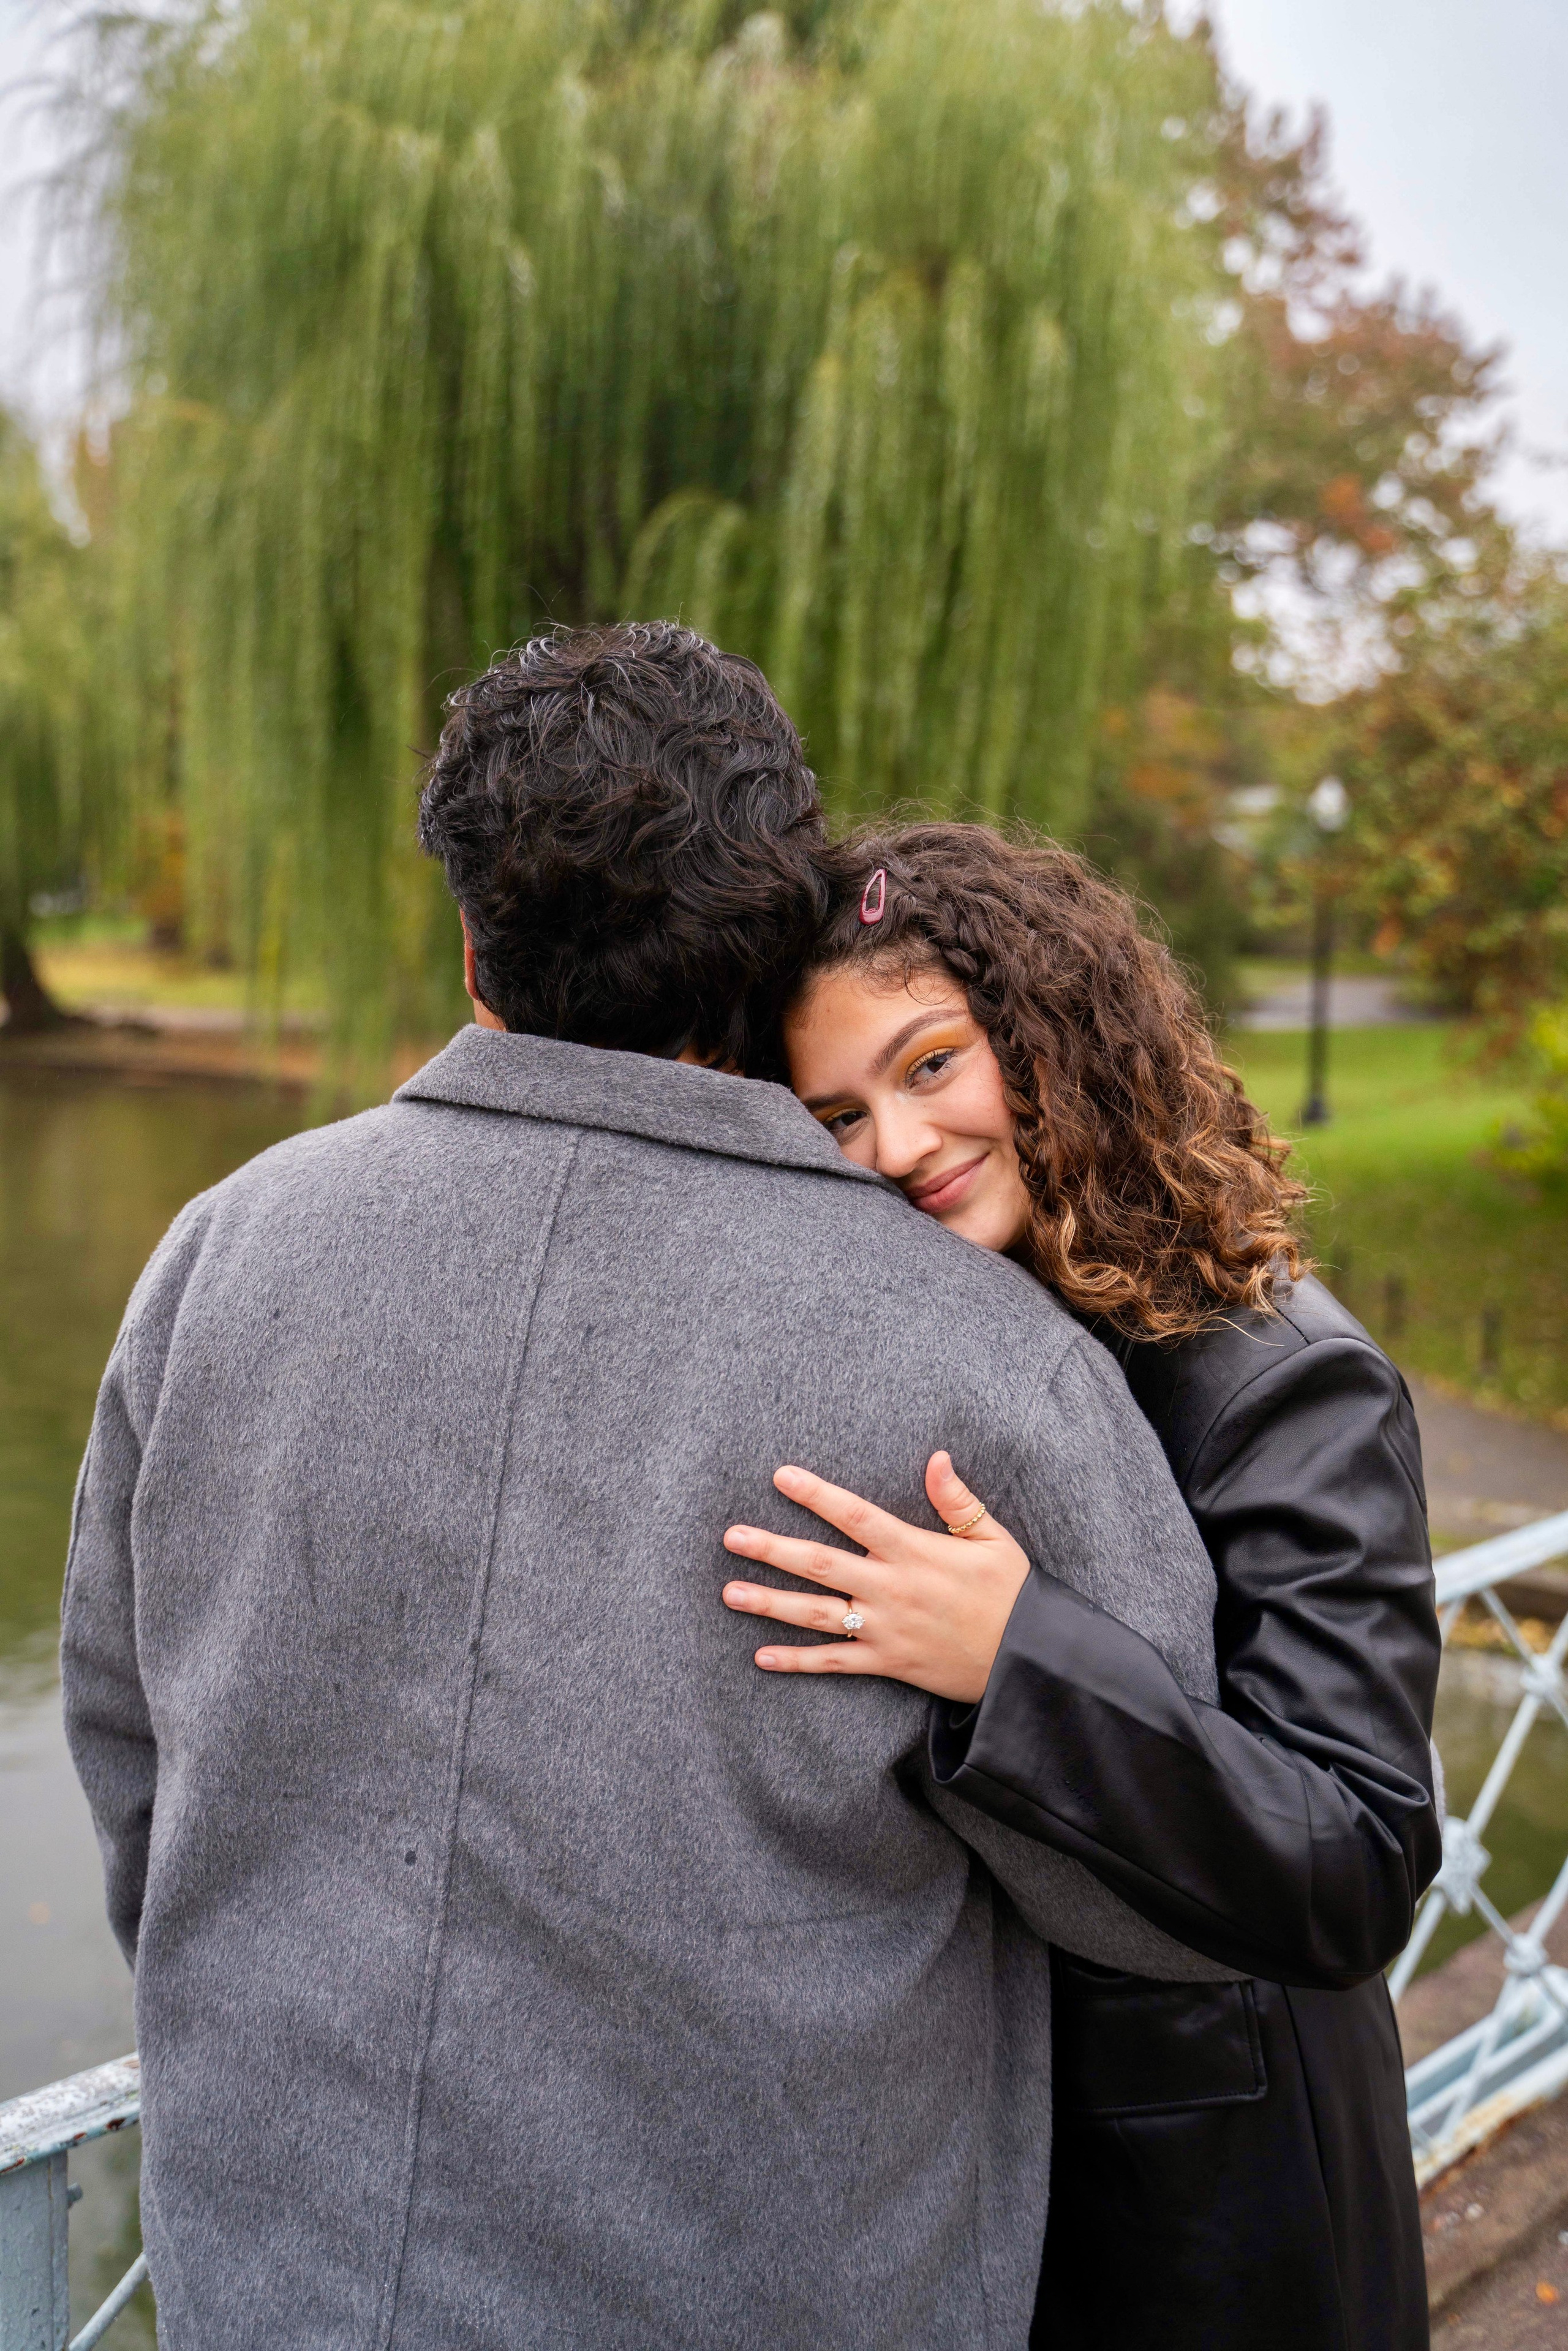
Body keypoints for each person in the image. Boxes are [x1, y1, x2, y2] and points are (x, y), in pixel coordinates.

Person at [62, 628, 1236, 2351]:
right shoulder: (987, 1358)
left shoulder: (216, 1259)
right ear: (775, 938)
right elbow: (1162, 1888)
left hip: (282, 2275)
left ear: (474, 946)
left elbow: (130, 1760)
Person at [722, 822, 1441, 2351]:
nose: (898, 1147)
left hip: (1212, 2193)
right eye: (835, 1115)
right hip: (970, 2170)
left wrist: (1013, 1654)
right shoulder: (935, 1340)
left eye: (930, 1067)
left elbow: (1355, 1857)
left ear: (1056, 1035)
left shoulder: (1281, 1383)